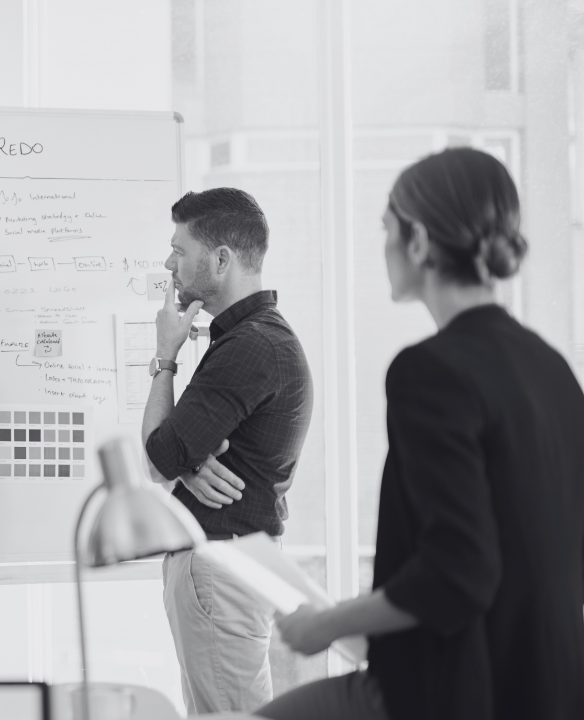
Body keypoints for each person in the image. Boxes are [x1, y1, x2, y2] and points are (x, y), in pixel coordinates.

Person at [257, 149, 584, 720]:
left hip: (453, 693)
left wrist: (325, 625)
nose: (383, 246)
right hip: (552, 690)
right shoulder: (552, 368)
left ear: (419, 242)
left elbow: (458, 572)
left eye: (387, 229)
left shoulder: (429, 371)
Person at [140, 188, 314, 714]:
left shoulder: (251, 346)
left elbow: (158, 456)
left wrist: (165, 356)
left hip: (223, 566)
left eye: (180, 250)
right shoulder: (250, 339)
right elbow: (172, 458)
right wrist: (186, 464)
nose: (169, 264)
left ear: (221, 259)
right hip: (228, 564)